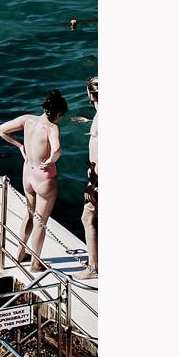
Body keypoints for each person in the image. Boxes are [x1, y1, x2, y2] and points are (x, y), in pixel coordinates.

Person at [0, 91, 69, 274]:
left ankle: (20, 254)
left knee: (28, 214)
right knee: (40, 222)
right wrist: (52, 159)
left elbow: (1, 130)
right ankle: (35, 264)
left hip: (28, 173)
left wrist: (20, 145)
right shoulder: (52, 128)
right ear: (58, 113)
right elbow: (58, 149)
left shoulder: (27, 120)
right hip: (44, 178)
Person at [81, 75, 99, 278]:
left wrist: (92, 183)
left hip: (98, 178)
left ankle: (93, 268)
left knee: (88, 217)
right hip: (96, 174)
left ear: (90, 95)